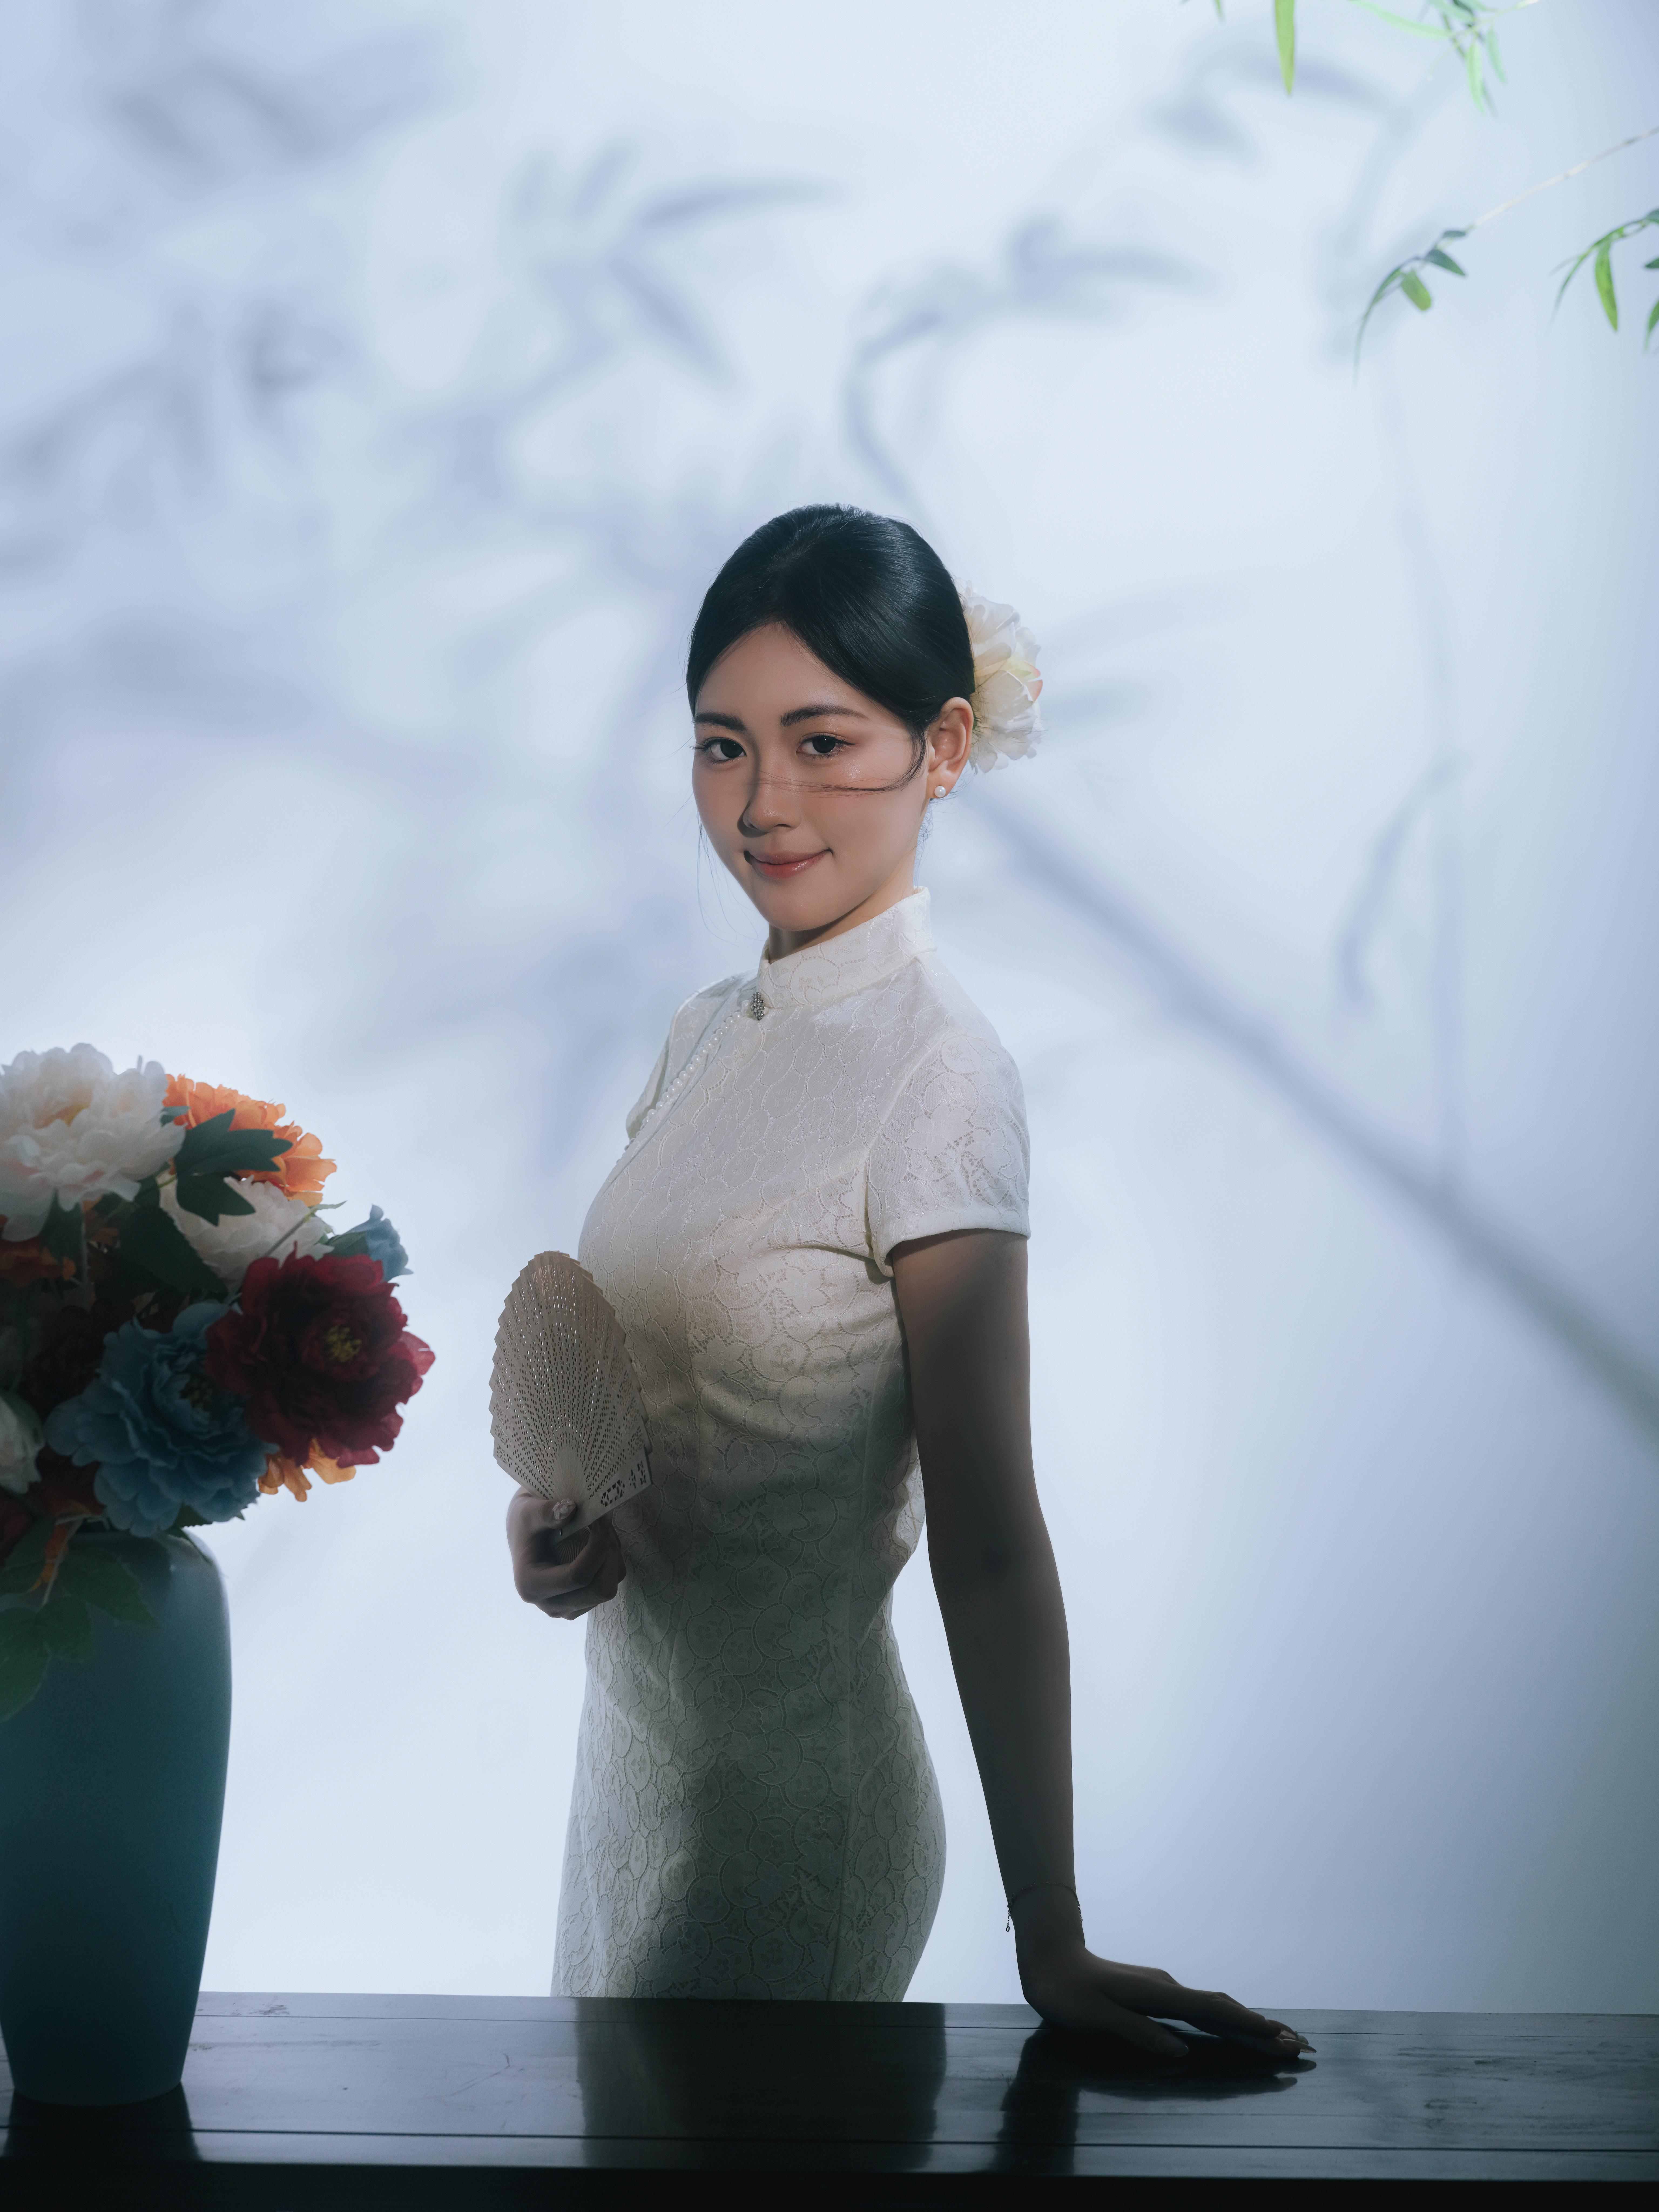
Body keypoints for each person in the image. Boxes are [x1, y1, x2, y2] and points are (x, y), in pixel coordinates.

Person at [507, 505, 1307, 2062]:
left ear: (944, 747)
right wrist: (569, 1528)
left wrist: (1052, 1936)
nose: (763, 802)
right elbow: (685, 1400)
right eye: (722, 745)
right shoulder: (701, 1033)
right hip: (630, 1789)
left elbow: (992, 1540)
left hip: (790, 1829)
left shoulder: (939, 1080)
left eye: (822, 740)